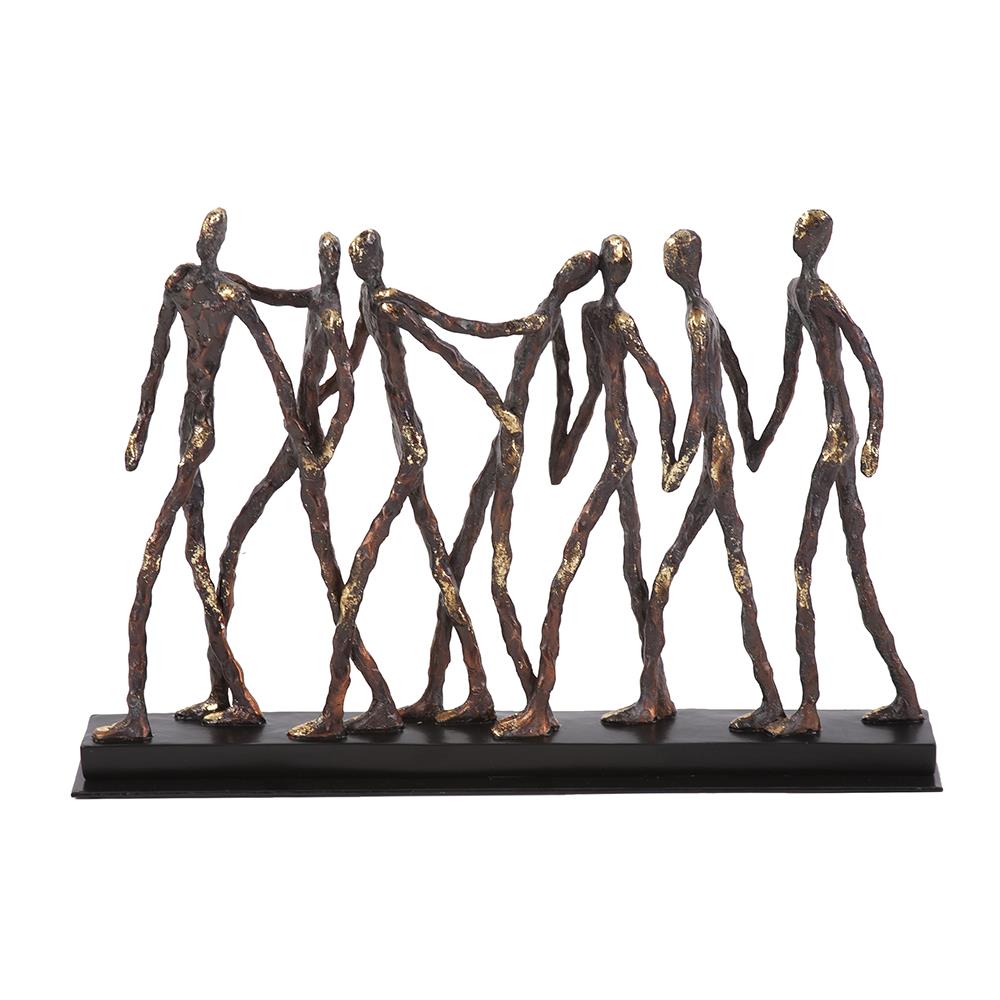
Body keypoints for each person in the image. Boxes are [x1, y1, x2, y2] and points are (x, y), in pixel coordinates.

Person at [739, 210, 923, 736]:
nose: (800, 237)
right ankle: (906, 695)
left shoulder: (822, 295)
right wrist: (763, 438)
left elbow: (869, 364)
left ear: (821, 243)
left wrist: (873, 440)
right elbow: (789, 372)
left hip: (840, 438)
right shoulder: (795, 293)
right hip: (835, 434)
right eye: (797, 229)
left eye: (809, 232)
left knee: (803, 563)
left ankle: (809, 706)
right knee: (857, 569)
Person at [603, 229, 786, 733]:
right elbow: (738, 378)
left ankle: (655, 698)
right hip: (721, 455)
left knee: (669, 578)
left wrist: (680, 462)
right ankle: (761, 697)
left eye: (672, 255)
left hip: (713, 463)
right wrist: (750, 438)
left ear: (682, 263)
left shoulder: (698, 319)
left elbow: (702, 399)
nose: (667, 261)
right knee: (736, 571)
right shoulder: (708, 310)